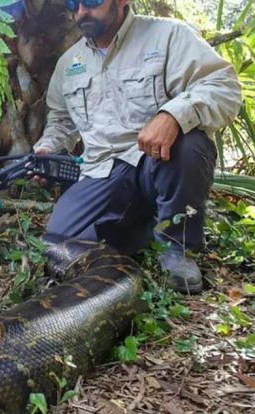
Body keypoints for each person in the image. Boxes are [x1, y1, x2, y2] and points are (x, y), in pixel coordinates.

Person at [33, 0, 242, 293]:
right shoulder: (69, 63)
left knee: (190, 144)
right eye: (73, 2)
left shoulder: (169, 36)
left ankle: (178, 247)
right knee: (60, 242)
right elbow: (61, 120)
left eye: (91, 1)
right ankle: (145, 226)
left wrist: (173, 116)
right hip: (101, 170)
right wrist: (47, 148)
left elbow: (223, 85)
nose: (81, 11)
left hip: (156, 160)